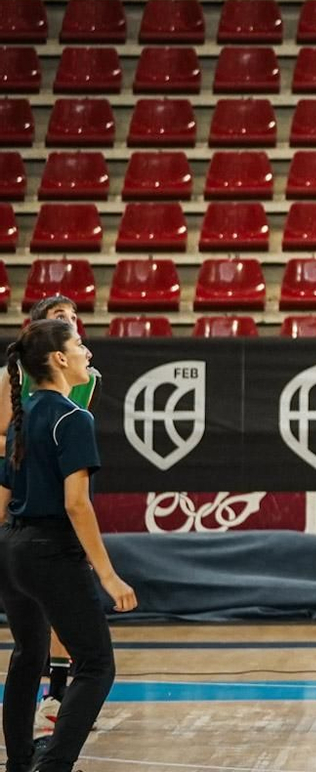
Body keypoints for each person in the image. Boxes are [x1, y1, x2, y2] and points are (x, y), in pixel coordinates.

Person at [0, 318, 137, 772]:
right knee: (97, 664)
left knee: (27, 654)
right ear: (59, 358)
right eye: (79, 344)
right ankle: (53, 765)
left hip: (13, 550)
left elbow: (3, 497)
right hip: (51, 551)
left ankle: (20, 761)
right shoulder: (73, 418)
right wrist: (108, 574)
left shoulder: (21, 418)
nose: (86, 351)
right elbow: (77, 505)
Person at [0, 295, 93, 747]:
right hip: (33, 518)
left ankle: (53, 700)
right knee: (92, 660)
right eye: (63, 322)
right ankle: (50, 753)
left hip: (33, 521)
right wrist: (111, 574)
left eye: (74, 321)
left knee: (40, 638)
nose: (75, 330)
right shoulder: (19, 393)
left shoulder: (78, 392)